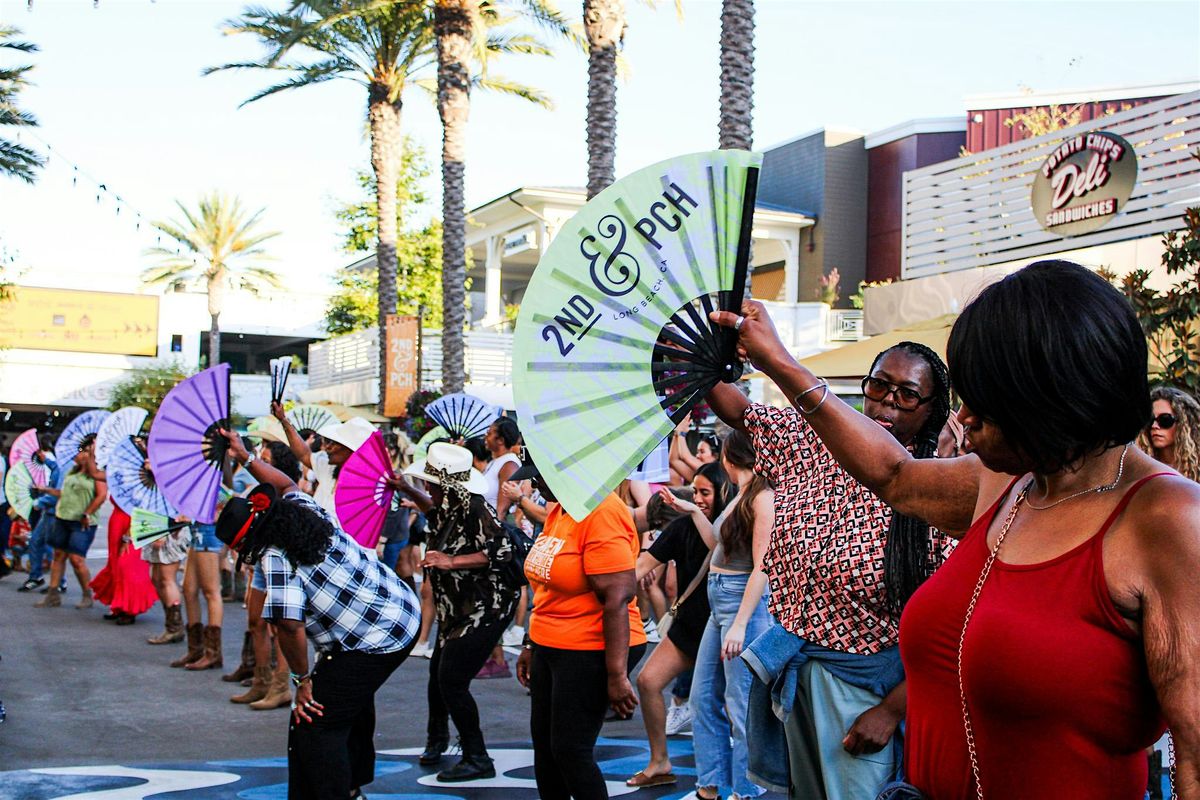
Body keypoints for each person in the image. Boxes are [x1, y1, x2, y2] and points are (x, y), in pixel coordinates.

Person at [713, 260, 1199, 799]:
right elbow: (893, 474)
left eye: (983, 402)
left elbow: (1195, 752)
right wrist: (779, 361)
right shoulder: (1007, 482)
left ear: (1051, 397)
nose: (962, 419)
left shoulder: (1167, 519)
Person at [704, 340, 954, 799]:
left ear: (933, 410)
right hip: (797, 670)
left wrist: (893, 711)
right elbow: (737, 409)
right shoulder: (812, 442)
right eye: (879, 385)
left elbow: (953, 627)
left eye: (907, 394)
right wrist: (705, 351)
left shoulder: (936, 487)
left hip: (870, 689)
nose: (887, 403)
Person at [215, 429, 420, 800]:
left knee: (314, 720)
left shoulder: (275, 556)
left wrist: (301, 679)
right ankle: (354, 783)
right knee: (347, 702)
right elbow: (285, 482)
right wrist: (245, 458)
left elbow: (288, 626)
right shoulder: (300, 510)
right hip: (399, 610)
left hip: (376, 636)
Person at [514, 453, 647, 800]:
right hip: (550, 642)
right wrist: (531, 643)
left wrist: (616, 675)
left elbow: (616, 598)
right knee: (545, 749)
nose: (535, 486)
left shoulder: (602, 512)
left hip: (592, 647)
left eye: (540, 477)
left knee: (570, 751)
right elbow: (547, 583)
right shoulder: (561, 508)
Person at [391, 443, 519, 782]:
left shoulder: (476, 507)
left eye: (430, 481)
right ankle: (438, 740)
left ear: (445, 484)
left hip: (484, 608)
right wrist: (406, 489)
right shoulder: (451, 503)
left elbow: (501, 551)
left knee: (451, 679)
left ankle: (477, 756)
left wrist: (450, 561)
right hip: (457, 607)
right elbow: (434, 511)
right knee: (438, 674)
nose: (427, 486)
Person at [678, 431, 775, 800]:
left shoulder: (763, 497)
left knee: (741, 704)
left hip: (741, 606)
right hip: (720, 602)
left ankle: (745, 791)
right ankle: (711, 782)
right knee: (703, 696)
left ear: (729, 458)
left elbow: (761, 567)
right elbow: (718, 547)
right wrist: (692, 511)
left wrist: (739, 623)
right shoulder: (742, 493)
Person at [626, 462, 731, 789]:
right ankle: (659, 762)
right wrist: (606, 589)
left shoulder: (736, 526)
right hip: (689, 628)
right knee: (647, 681)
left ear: (723, 493)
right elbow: (641, 566)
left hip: (726, 630)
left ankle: (729, 779)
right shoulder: (681, 527)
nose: (698, 499)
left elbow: (722, 550)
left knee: (718, 705)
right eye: (695, 491)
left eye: (705, 493)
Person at [228, 441, 302, 710]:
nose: (263, 462)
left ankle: (281, 686)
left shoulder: (288, 490)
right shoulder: (260, 489)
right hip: (260, 561)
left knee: (280, 625)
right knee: (255, 621)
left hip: (280, 561)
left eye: (268, 459)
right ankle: (261, 680)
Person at [272, 400, 375, 523]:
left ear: (352, 451)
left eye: (334, 443)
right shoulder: (329, 468)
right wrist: (284, 420)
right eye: (328, 441)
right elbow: (304, 454)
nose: (327, 447)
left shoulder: (367, 489)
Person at [34, 436, 106, 610]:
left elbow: (101, 496)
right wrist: (46, 490)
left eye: (83, 452)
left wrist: (87, 513)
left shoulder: (97, 474)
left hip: (82, 521)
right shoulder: (72, 471)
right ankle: (53, 594)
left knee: (77, 559)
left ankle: (87, 594)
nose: (78, 454)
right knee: (58, 555)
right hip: (63, 517)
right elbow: (64, 493)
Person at [90, 493, 159, 625]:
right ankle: (119, 606)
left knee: (128, 566)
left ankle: (130, 609)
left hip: (136, 525)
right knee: (116, 566)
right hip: (117, 524)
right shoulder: (122, 477)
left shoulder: (143, 482)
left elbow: (144, 510)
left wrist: (128, 537)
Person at [18, 435, 62, 593]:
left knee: (51, 548)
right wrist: (45, 459)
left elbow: (59, 491)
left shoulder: (65, 466)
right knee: (38, 542)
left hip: (54, 511)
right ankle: (38, 576)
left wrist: (39, 502)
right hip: (49, 511)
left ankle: (58, 582)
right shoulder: (59, 464)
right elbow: (54, 468)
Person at [1140, 385, 1200, 482]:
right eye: (1150, 420)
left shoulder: (1196, 468)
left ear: (1184, 423)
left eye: (1165, 420)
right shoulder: (1140, 467)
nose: (1154, 426)